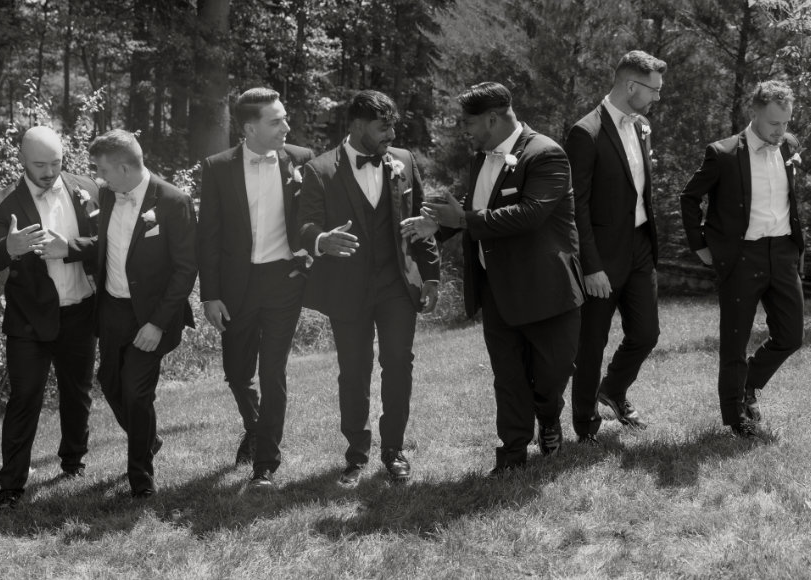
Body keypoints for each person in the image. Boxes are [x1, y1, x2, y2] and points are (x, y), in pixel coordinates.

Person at [418, 82, 584, 474]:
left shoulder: (546, 154)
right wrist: (437, 226)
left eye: (469, 123)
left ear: (492, 119)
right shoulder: (480, 157)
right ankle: (512, 453)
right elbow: (479, 207)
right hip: (495, 287)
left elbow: (530, 214)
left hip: (545, 287)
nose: (465, 131)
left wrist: (463, 219)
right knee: (508, 377)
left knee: (552, 373)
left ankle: (548, 415)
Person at [298, 90, 439, 486]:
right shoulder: (319, 170)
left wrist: (430, 274)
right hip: (347, 287)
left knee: (399, 364)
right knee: (354, 371)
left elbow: (419, 220)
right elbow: (303, 224)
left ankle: (393, 449)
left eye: (393, 126)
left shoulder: (403, 161)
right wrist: (321, 239)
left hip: (397, 285)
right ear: (358, 125)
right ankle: (356, 453)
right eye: (383, 127)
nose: (391, 135)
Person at [197, 87, 315, 491]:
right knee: (237, 373)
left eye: (284, 118)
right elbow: (208, 235)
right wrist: (210, 294)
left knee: (273, 370)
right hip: (236, 286)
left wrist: (309, 263)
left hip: (285, 281)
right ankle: (255, 426)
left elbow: (314, 217)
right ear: (250, 128)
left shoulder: (301, 160)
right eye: (276, 120)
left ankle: (265, 465)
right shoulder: (217, 167)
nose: (286, 126)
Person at [0, 126, 99, 511]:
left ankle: (74, 462)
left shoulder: (88, 189)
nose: (49, 172)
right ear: (21, 160)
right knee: (24, 398)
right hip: (28, 319)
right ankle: (11, 487)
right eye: (39, 165)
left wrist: (72, 248)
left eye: (56, 163)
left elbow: (108, 244)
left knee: (77, 393)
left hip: (81, 310)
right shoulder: (2, 202)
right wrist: (8, 248)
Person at [679, 81, 805, 438]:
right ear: (754, 113)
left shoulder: (789, 146)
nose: (781, 131)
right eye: (774, 123)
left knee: (791, 335)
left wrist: (794, 248)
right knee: (734, 340)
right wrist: (700, 245)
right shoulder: (723, 154)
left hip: (783, 252)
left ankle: (748, 383)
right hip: (741, 256)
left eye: (786, 122)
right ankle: (736, 417)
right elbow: (689, 198)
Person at [89, 130, 198, 496]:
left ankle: (141, 479)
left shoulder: (173, 201)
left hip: (151, 316)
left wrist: (157, 323)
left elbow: (185, 270)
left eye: (103, 170)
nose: (99, 177)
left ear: (124, 167)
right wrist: (69, 249)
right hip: (112, 309)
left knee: (136, 392)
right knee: (109, 383)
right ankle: (148, 438)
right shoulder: (108, 194)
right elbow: (106, 244)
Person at [565, 50, 665, 443]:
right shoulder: (585, 132)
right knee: (591, 343)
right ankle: (586, 424)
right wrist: (591, 265)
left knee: (647, 333)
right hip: (602, 255)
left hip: (639, 246)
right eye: (653, 90)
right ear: (631, 86)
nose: (657, 97)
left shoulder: (642, 127)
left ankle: (614, 389)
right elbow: (576, 205)